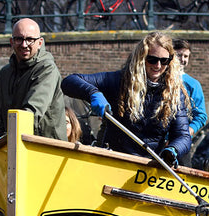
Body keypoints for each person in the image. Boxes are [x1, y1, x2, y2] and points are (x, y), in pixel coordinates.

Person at [61, 32, 191, 167]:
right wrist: (93, 93)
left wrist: (173, 150)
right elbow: (69, 81)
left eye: (164, 61)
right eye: (152, 59)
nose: (158, 66)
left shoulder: (175, 93)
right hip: (113, 159)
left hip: (149, 165)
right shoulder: (118, 80)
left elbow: (183, 135)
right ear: (141, 58)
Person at [0, 18, 66, 140]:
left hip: (45, 146)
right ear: (11, 42)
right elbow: (3, 117)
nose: (24, 45)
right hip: (15, 144)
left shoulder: (47, 69)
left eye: (30, 39)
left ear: (40, 42)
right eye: (19, 39)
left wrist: (9, 138)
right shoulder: (5, 73)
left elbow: (32, 112)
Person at [173, 39, 207, 136]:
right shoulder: (157, 78)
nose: (182, 59)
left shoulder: (193, 84)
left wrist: (185, 134)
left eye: (186, 56)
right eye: (178, 55)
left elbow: (201, 115)